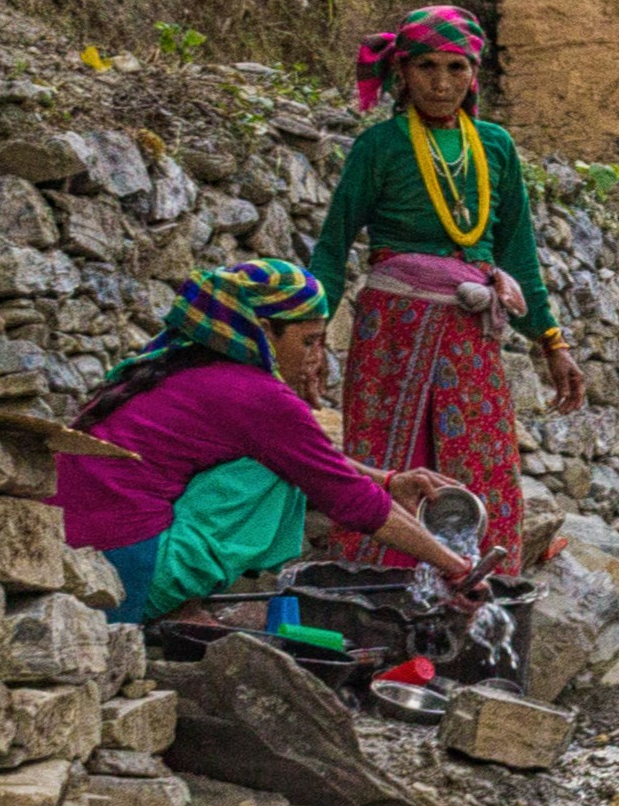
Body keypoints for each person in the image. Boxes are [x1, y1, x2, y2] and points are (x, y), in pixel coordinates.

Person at [308, 4, 585, 575]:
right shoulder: (379, 147)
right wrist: (309, 338)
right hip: (392, 330)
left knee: (479, 454)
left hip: (469, 331)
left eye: (457, 68)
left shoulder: (496, 146)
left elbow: (517, 254)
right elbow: (333, 248)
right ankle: (374, 581)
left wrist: (552, 342)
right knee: (387, 452)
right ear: (401, 73)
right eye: (427, 67)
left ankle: (481, 577)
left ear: (474, 75)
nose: (442, 83)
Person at [56, 260, 476, 621]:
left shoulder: (180, 363)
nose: (316, 358)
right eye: (307, 341)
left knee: (283, 459)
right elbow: (350, 499)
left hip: (77, 554)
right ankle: (171, 604)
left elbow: (314, 460)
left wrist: (388, 482)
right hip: (125, 576)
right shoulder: (259, 397)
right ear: (262, 330)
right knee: (277, 471)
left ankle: (178, 603)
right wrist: (454, 568)